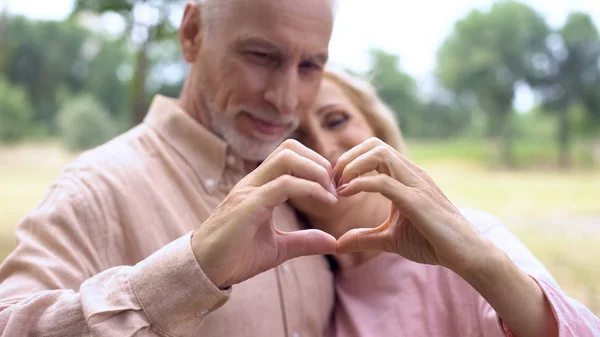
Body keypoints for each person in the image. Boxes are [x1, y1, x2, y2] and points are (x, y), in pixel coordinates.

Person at [0, 0, 342, 336]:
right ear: (192, 33)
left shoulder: (307, 191)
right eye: (262, 56)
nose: (285, 99)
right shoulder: (94, 188)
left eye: (310, 66)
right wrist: (189, 273)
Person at [291, 70, 600, 337]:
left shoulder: (468, 237)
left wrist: (477, 261)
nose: (321, 146)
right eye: (295, 138)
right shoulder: (307, 283)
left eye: (336, 120)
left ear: (378, 131)